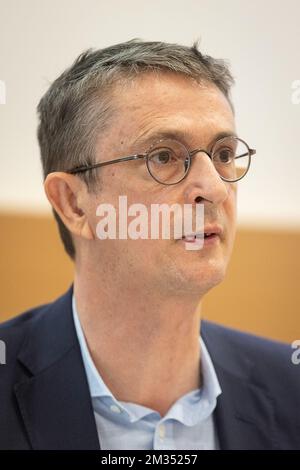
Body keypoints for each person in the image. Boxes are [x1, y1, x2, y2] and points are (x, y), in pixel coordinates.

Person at [0, 39, 299, 450]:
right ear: (74, 204)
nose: (214, 188)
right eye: (163, 156)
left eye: (224, 153)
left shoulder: (291, 388)